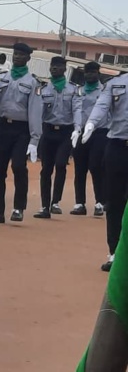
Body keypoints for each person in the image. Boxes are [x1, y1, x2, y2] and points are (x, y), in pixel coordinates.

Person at [0, 43, 42, 224]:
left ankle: (18, 207)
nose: (17, 57)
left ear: (28, 58)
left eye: (21, 55)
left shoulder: (33, 82)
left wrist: (35, 138)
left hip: (21, 130)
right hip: (2, 126)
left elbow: (35, 111)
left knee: (18, 167)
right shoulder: (2, 77)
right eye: (15, 54)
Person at [83, 68, 128, 272]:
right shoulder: (116, 83)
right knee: (114, 202)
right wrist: (91, 123)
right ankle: (114, 253)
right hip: (117, 147)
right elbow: (101, 105)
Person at [32, 57, 82, 219]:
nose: (55, 69)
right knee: (46, 169)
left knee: (61, 164)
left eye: (59, 66)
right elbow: (38, 114)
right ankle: (45, 206)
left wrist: (78, 128)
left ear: (64, 69)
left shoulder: (73, 90)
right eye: (53, 66)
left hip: (65, 132)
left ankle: (55, 202)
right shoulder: (43, 89)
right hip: (48, 131)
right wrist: (35, 135)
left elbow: (77, 110)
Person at [71, 62, 108, 218]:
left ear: (98, 73)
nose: (90, 75)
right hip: (80, 132)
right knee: (80, 169)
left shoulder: (105, 91)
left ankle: (100, 202)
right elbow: (75, 111)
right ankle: (80, 203)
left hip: (99, 133)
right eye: (87, 72)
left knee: (95, 167)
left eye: (93, 72)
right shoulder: (78, 91)